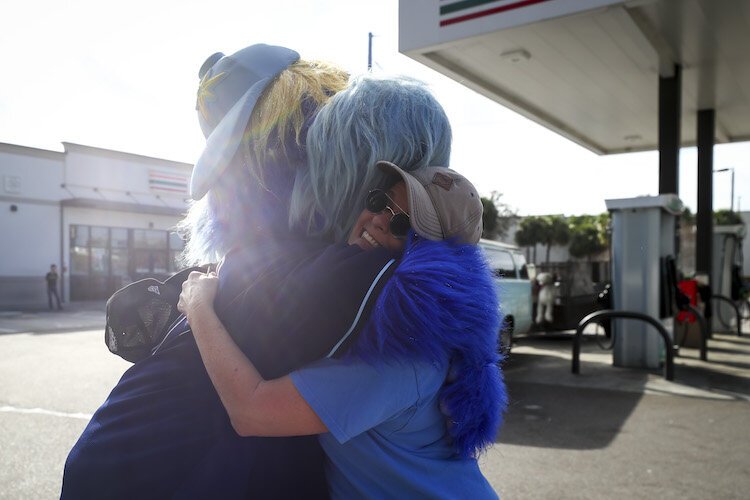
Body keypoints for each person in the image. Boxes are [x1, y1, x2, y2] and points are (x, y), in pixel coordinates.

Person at [62, 43, 454, 500]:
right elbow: (253, 411)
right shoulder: (307, 270)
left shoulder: (265, 261)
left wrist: (198, 301)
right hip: (148, 474)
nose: (385, 209)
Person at [179, 161, 506, 498]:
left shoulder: (405, 354)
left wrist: (199, 307)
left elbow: (251, 411)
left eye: (403, 224)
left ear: (432, 259)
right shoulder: (376, 312)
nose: (379, 219)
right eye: (381, 201)